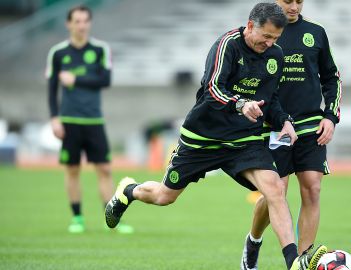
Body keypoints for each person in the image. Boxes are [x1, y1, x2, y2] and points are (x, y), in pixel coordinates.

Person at [104, 3, 326, 270]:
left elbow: (272, 98)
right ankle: (129, 191)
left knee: (275, 189)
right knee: (164, 196)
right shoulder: (227, 45)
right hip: (203, 138)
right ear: (251, 25)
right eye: (265, 36)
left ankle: (293, 262)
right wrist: (241, 104)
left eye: (275, 39)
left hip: (244, 140)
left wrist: (283, 121)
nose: (269, 43)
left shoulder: (275, 55)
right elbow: (212, 89)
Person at [240, 1, 342, 269]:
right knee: (276, 192)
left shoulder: (316, 33)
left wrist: (330, 117)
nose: (294, 6)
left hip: (311, 126)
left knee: (313, 189)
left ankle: (303, 261)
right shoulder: (264, 33)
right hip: (275, 126)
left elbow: (332, 78)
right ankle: (254, 239)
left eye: (299, 0)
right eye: (288, 0)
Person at [45, 5, 133, 234]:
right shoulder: (58, 53)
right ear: (69, 24)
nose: (81, 25)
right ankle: (77, 218)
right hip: (69, 121)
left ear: (89, 23)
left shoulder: (101, 49)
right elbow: (52, 88)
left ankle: (111, 220)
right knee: (72, 170)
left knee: (104, 169)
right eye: (77, 21)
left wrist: (75, 80)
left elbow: (105, 80)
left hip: (94, 121)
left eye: (85, 21)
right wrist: (54, 118)